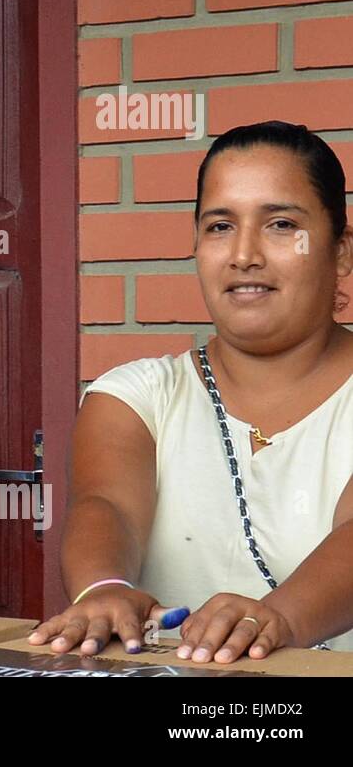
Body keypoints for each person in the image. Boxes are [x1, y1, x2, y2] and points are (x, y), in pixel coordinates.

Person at [32, 121, 353, 663]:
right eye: (220, 226)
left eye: (280, 224)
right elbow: (106, 503)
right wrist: (103, 588)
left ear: (341, 253)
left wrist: (279, 620)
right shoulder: (137, 396)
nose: (244, 254)